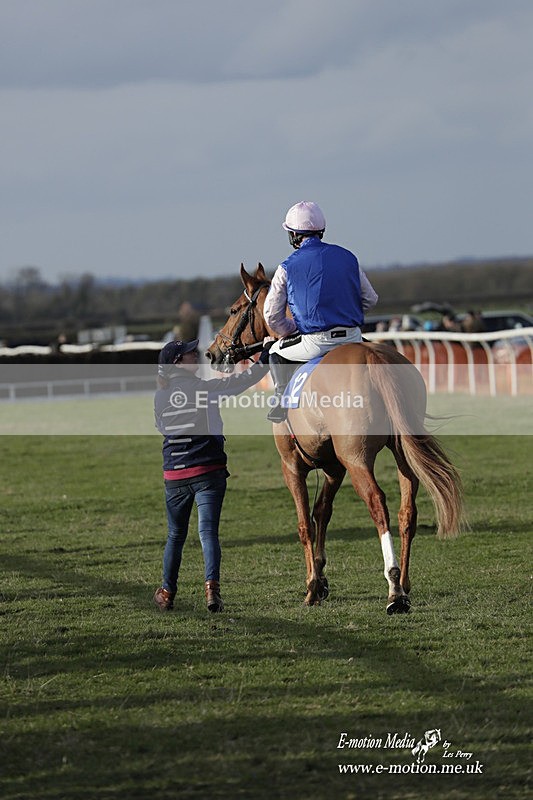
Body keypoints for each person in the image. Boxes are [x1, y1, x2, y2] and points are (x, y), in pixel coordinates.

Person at [153, 338, 271, 613]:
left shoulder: (160, 396)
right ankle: (212, 591)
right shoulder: (204, 389)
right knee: (208, 533)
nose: (196, 355)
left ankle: (167, 592)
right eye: (190, 353)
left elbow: (162, 427)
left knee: (175, 536)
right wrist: (267, 352)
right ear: (177, 363)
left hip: (174, 475)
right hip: (208, 471)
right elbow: (244, 381)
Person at [263, 200, 378, 422]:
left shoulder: (286, 266)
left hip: (315, 343)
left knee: (275, 351)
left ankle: (280, 402)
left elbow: (271, 316)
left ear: (294, 235)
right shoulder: (348, 257)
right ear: (321, 230)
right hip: (353, 337)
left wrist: (290, 328)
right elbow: (371, 299)